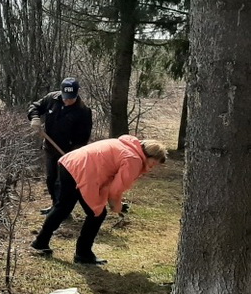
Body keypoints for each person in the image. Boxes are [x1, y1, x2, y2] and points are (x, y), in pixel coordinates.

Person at [30, 136, 168, 265]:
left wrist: (114, 201)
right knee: (97, 214)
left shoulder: (125, 145)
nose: (151, 168)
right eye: (153, 163)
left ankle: (40, 242)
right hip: (83, 171)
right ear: (149, 155)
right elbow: (115, 191)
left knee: (63, 206)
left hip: (69, 163)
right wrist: (117, 206)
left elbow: (108, 180)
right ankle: (83, 254)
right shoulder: (134, 159)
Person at [27, 77, 93, 213]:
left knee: (63, 183)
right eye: (65, 97)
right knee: (51, 180)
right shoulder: (52, 98)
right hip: (50, 149)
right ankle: (55, 206)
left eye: (71, 98)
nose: (67, 100)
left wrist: (72, 155)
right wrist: (34, 118)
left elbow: (83, 138)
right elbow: (35, 106)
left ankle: (61, 211)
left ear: (77, 94)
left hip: (69, 154)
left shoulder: (83, 111)